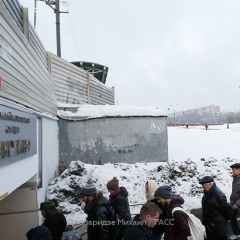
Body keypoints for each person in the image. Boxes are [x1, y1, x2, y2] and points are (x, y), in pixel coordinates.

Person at [199, 176, 232, 240]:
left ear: (211, 184)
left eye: (205, 185)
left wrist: (221, 221)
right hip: (210, 224)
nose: (204, 187)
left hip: (218, 225)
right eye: (203, 185)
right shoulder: (207, 193)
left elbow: (226, 209)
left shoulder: (218, 194)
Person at [230, 163, 240, 235]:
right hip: (234, 203)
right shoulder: (235, 178)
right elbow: (235, 192)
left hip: (238, 204)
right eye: (232, 169)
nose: (232, 171)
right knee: (232, 217)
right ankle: (237, 234)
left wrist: (237, 204)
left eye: (234, 169)